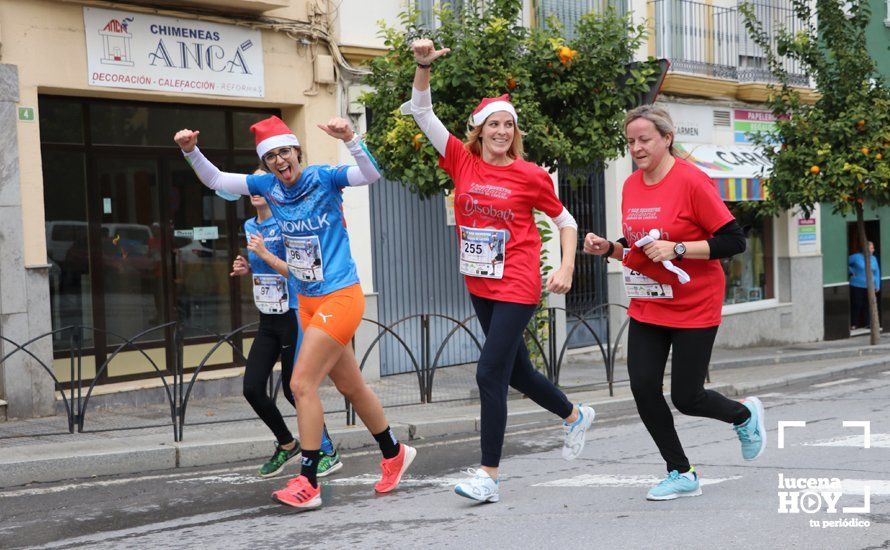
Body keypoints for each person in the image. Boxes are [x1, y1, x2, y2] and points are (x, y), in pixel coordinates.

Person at [174, 115, 415, 511]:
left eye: (284, 151)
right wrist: (190, 151)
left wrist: (351, 138)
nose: (279, 161)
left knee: (301, 383)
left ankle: (308, 479)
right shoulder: (266, 186)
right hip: (307, 301)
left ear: (297, 151)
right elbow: (216, 180)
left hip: (341, 295)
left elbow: (371, 174)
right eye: (271, 156)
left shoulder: (324, 178)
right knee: (350, 386)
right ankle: (394, 453)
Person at [405, 39, 595, 504]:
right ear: (479, 129)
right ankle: (574, 415)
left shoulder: (530, 175)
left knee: (489, 372)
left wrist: (567, 265)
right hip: (479, 279)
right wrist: (423, 65)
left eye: (509, 125)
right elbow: (422, 113)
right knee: (517, 373)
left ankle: (488, 475)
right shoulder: (460, 161)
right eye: (494, 123)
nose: (502, 131)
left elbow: (565, 221)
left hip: (518, 281)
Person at [583, 105, 765, 501]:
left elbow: (735, 241)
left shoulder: (692, 182)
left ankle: (744, 415)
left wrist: (680, 248)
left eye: (645, 139)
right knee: (643, 386)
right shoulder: (631, 185)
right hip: (650, 299)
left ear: (667, 138)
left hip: (695, 303)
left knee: (688, 397)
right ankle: (681, 471)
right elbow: (639, 245)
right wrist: (610, 248)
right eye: (631, 141)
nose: (637, 147)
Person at [228, 179, 342, 479]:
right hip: (268, 316)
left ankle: (326, 451)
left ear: (271, 192)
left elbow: (299, 270)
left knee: (296, 389)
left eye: (260, 186)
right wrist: (248, 268)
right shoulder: (250, 225)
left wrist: (265, 255)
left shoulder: (287, 223)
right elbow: (262, 267)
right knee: (252, 388)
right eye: (250, 187)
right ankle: (287, 443)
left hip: (294, 313)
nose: (254, 191)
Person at [849, 241, 880, 329]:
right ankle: (854, 324)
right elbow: (843, 263)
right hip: (857, 285)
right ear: (865, 249)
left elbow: (877, 272)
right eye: (871, 248)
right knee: (857, 304)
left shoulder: (873, 259)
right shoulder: (856, 257)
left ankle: (868, 323)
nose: (873, 250)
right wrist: (851, 271)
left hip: (870, 286)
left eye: (873, 248)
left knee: (868, 305)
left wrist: (877, 285)